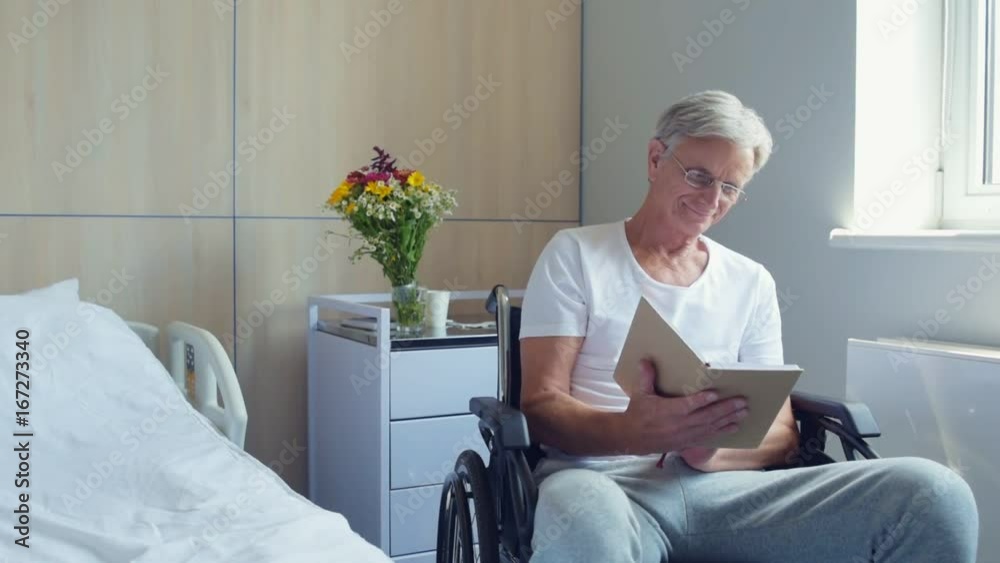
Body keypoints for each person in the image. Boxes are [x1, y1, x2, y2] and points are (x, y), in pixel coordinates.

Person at [519, 90, 979, 562]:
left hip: (724, 493)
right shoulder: (575, 254)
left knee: (934, 494)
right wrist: (636, 432)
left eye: (730, 187)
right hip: (602, 483)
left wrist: (708, 451)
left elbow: (781, 434)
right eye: (699, 176)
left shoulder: (749, 280)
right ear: (656, 158)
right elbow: (540, 406)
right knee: (588, 524)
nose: (711, 200)